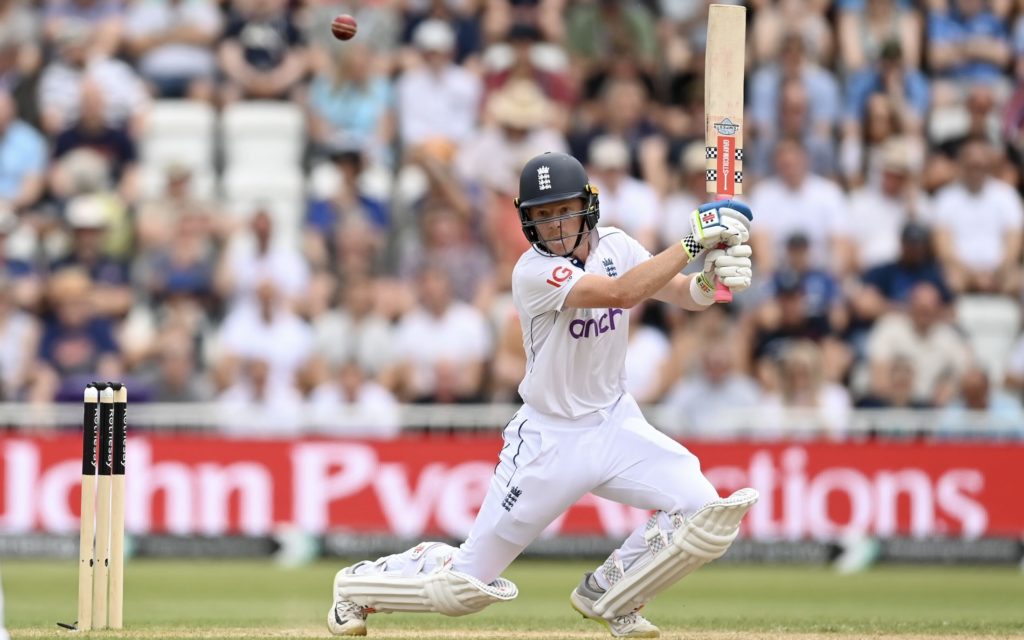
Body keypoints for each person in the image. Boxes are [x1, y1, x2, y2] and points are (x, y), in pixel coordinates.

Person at [326, 152, 758, 638]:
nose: (554, 225)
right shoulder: (532, 272)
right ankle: (357, 586)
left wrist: (709, 281)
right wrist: (692, 240)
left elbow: (680, 294)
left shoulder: (616, 244)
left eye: (564, 210)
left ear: (588, 206)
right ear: (527, 221)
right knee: (464, 588)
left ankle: (611, 590)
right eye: (542, 215)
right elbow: (618, 294)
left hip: (616, 423)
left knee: (704, 512)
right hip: (550, 440)